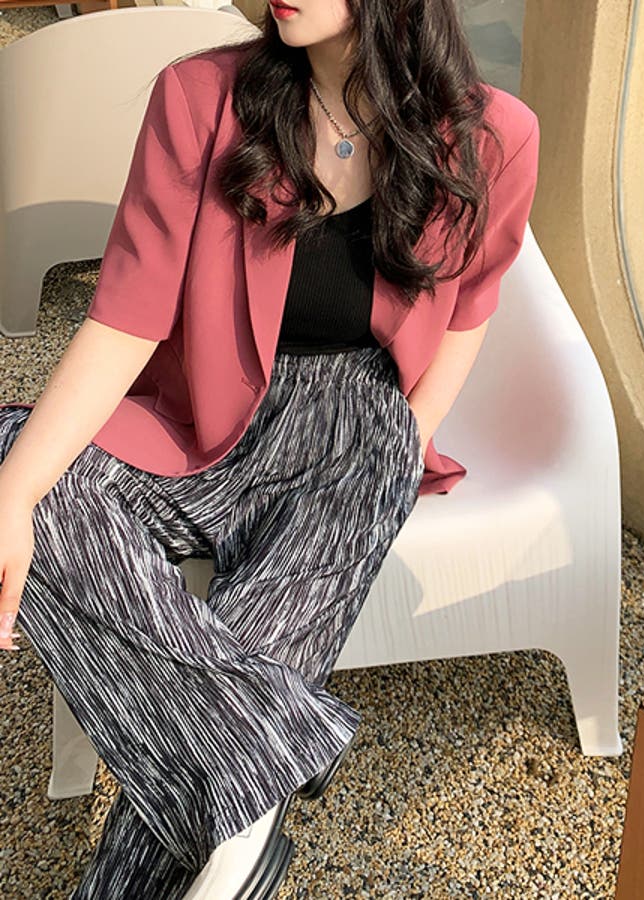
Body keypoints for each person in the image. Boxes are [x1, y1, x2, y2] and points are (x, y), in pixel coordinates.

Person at [0, 0, 539, 897]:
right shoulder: (199, 97)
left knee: (261, 629)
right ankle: (258, 768)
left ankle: (222, 805)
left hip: (355, 429)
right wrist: (14, 494)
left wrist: (403, 441)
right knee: (12, 458)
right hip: (202, 412)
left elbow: (471, 308)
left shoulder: (493, 136)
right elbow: (127, 315)